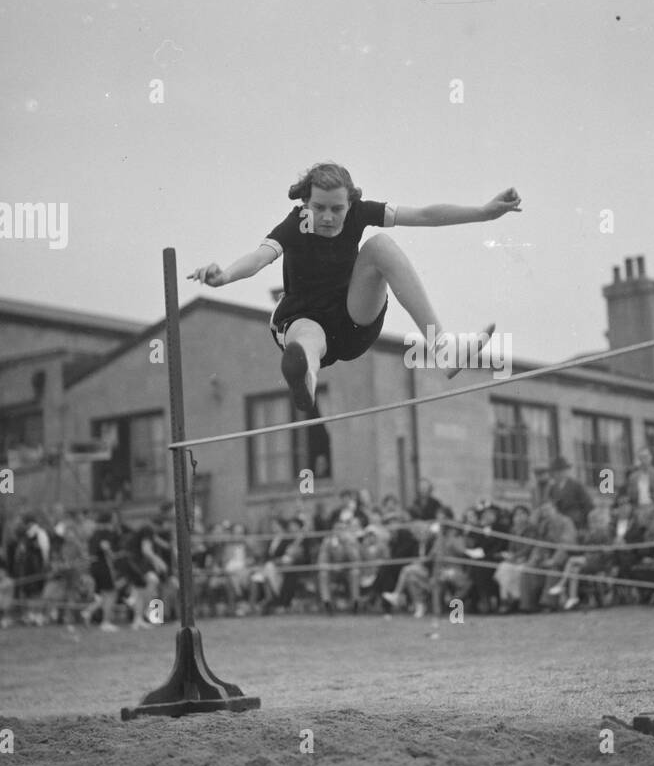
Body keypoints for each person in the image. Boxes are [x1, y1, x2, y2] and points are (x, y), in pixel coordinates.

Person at [189, 161, 520, 412]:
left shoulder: (360, 213)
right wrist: (226, 275)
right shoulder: (295, 225)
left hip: (352, 318)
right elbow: (259, 258)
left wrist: (484, 213)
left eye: (337, 209)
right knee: (307, 337)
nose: (329, 218)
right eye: (319, 208)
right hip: (302, 318)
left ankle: (442, 347)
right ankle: (307, 379)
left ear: (350, 204)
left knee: (381, 246)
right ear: (305, 204)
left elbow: (423, 215)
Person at [547, 455, 593, 531]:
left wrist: (584, 523)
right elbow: (552, 505)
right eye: (556, 471)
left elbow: (588, 505)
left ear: (566, 471)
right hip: (558, 523)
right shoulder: (552, 488)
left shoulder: (576, 486)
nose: (559, 474)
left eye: (561, 471)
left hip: (575, 521)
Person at [625, 445, 654, 515]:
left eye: (646, 456)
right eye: (641, 457)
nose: (644, 459)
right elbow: (630, 497)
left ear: (651, 457)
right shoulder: (633, 477)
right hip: (638, 510)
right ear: (639, 459)